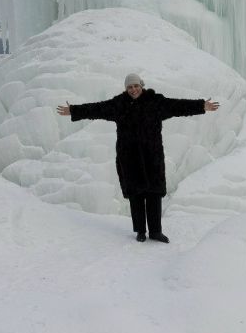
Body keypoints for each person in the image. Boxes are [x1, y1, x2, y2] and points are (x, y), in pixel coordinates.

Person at [56, 73, 219, 243]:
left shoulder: (155, 102)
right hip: (129, 157)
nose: (133, 89)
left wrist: (202, 105)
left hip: (152, 156)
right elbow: (98, 109)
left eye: (136, 86)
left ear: (141, 85)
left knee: (154, 193)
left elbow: (178, 106)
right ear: (126, 89)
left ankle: (156, 231)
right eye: (129, 87)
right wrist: (74, 110)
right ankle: (140, 231)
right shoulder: (119, 104)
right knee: (136, 194)